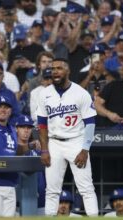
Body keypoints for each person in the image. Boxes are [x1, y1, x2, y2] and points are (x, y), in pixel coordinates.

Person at [37, 58, 98, 216]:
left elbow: (90, 123)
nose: (55, 71)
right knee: (51, 190)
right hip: (55, 143)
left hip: (76, 142)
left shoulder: (80, 93)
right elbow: (42, 125)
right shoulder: (44, 94)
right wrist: (44, 150)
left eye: (59, 68)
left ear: (68, 71)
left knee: (86, 188)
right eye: (53, 68)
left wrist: (85, 150)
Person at [15, 114, 45, 215]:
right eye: (23, 127)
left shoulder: (38, 149)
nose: (26, 130)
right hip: (16, 202)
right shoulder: (11, 147)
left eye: (29, 127)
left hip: (40, 201)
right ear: (16, 129)